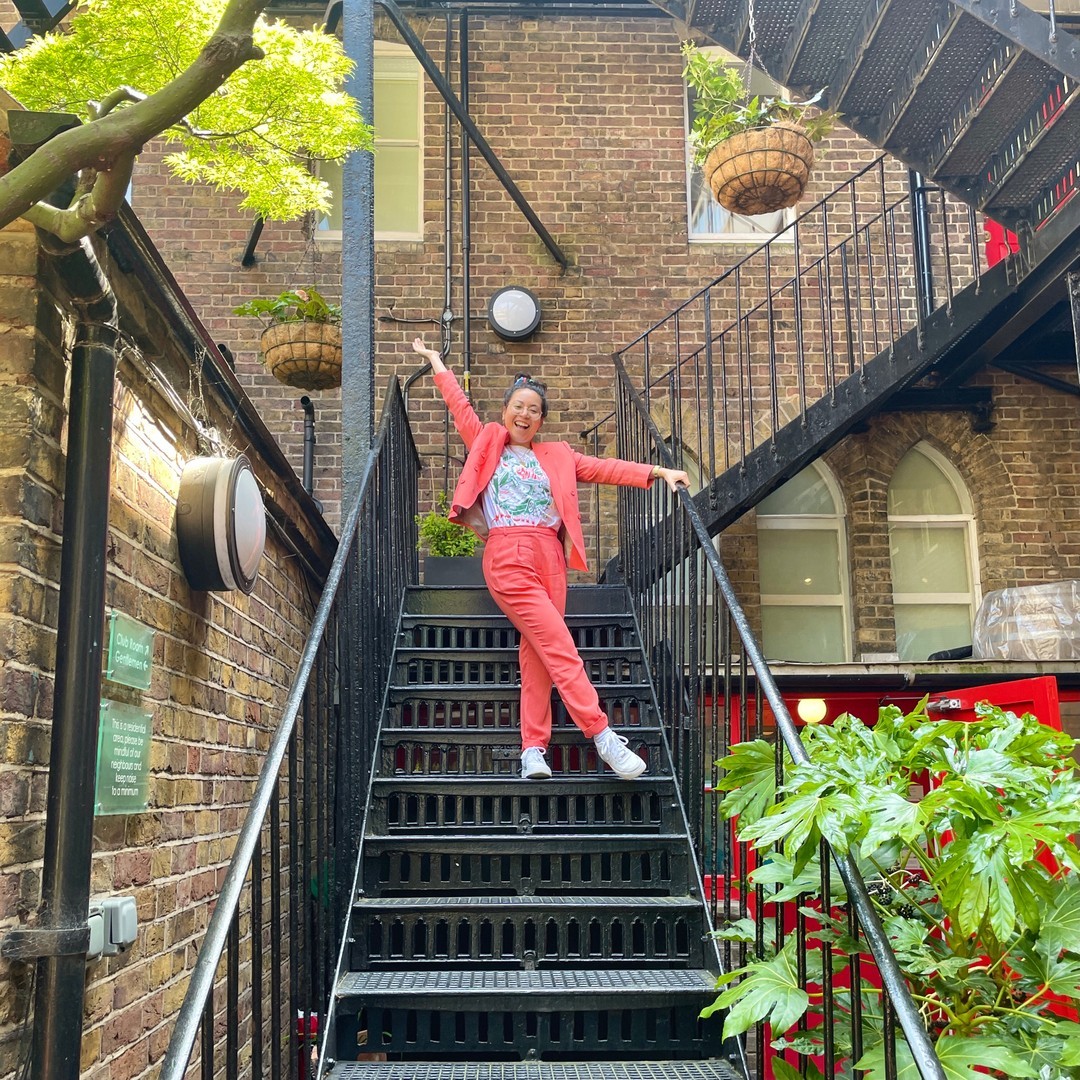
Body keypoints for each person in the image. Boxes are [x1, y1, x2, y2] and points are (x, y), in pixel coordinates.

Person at [411, 338, 690, 781]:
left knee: (538, 654)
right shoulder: (487, 442)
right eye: (518, 406)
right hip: (508, 553)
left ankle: (532, 751)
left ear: (541, 419)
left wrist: (657, 472)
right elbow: (460, 408)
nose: (525, 415)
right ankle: (602, 734)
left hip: (550, 557)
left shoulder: (557, 455)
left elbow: (604, 467)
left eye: (534, 410)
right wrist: (436, 363)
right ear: (506, 411)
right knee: (559, 645)